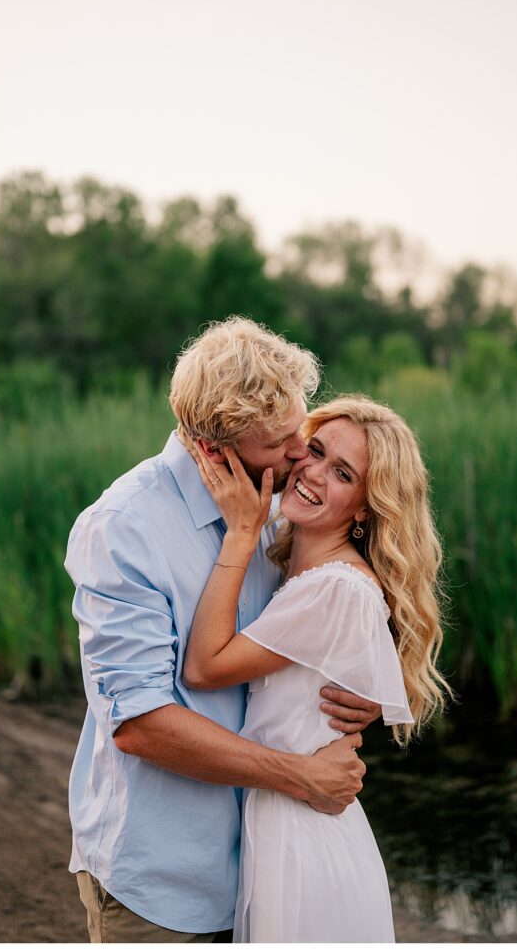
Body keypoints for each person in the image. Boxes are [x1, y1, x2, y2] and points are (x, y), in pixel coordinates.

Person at [65, 318, 382, 943]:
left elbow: (316, 625)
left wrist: (355, 692)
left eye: (303, 428)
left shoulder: (281, 501)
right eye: (283, 442)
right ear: (213, 449)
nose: (302, 454)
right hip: (164, 881)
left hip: (271, 867)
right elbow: (139, 723)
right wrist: (300, 774)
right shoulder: (123, 528)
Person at [183, 395, 454, 942]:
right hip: (284, 820)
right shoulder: (297, 565)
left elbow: (204, 668)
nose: (312, 473)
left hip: (304, 839)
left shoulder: (334, 587)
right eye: (316, 450)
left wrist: (238, 533)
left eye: (343, 473)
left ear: (365, 508)